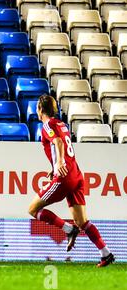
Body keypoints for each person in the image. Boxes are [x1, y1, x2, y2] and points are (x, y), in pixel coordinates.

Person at [28, 95, 114, 267]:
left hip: (65, 177)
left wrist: (59, 163)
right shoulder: (61, 124)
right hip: (76, 175)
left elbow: (58, 142)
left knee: (32, 209)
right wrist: (55, 166)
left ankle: (68, 229)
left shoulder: (48, 125)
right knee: (83, 221)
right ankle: (106, 254)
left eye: (37, 109)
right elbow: (63, 146)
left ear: (40, 109)